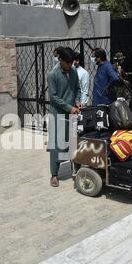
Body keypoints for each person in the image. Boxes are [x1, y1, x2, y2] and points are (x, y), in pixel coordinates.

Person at [47, 47, 81, 187]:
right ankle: (54, 175)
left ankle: (75, 170)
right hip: (58, 114)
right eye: (68, 63)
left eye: (72, 62)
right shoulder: (52, 74)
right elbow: (53, 97)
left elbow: (77, 89)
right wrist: (69, 107)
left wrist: (78, 101)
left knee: (73, 142)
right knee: (56, 145)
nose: (70, 65)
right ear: (60, 60)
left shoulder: (73, 72)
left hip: (72, 113)